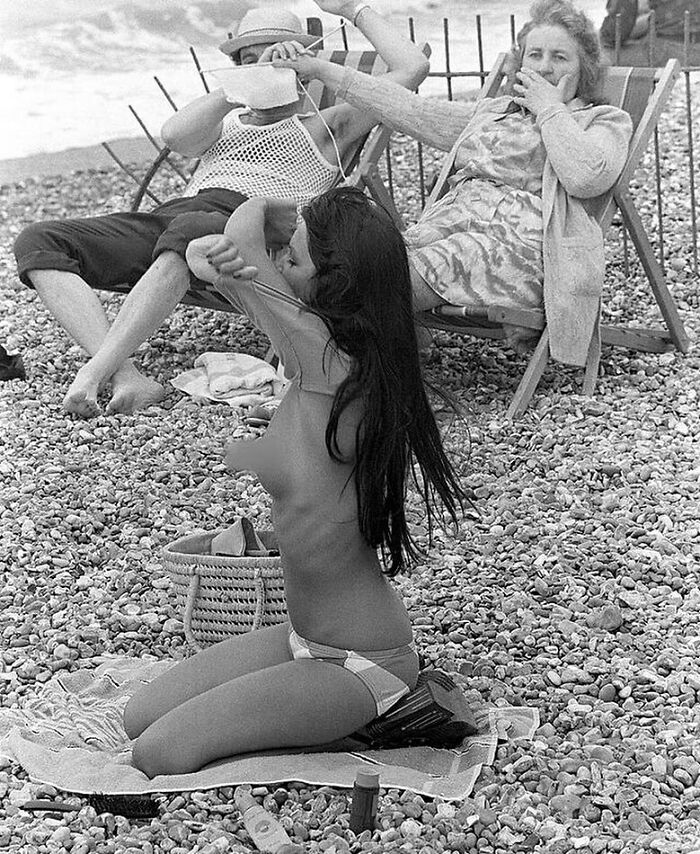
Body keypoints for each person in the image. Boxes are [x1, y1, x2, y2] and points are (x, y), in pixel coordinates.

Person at [122, 186, 465, 776]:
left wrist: (271, 213)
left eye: (295, 257)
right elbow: (234, 267)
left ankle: (377, 721)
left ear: (336, 284)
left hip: (359, 660)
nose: (281, 263)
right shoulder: (317, 363)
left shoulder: (339, 371)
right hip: (300, 635)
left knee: (157, 755)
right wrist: (216, 254)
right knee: (137, 718)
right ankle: (318, 721)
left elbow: (243, 236)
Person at [13, 2, 429, 418]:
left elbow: (412, 69)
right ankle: (125, 374)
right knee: (39, 240)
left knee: (192, 229)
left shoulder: (326, 126)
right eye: (249, 59)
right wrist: (242, 87)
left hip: (251, 231)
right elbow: (174, 135)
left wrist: (352, 10)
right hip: (177, 221)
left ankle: (93, 372)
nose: (264, 65)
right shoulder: (222, 122)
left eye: (277, 53)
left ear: (303, 66)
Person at [274, 0, 634, 367]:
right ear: (521, 63)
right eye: (535, 54)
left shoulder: (603, 121)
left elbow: (587, 176)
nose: (544, 67)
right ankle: (339, 357)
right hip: (448, 228)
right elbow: (409, 109)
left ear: (584, 68)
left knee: (380, 277)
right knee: (366, 257)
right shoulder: (495, 112)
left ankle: (341, 366)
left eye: (560, 57)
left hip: (519, 252)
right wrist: (319, 68)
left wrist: (549, 109)